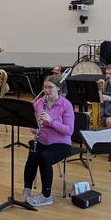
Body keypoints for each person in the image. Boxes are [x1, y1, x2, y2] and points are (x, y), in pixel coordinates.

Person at [22, 75, 75, 207]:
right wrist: (35, 128)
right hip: (42, 139)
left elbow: (69, 130)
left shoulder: (66, 105)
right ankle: (27, 189)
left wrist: (51, 122)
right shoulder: (39, 103)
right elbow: (32, 126)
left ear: (58, 88)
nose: (47, 90)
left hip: (61, 142)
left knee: (45, 158)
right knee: (32, 155)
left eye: (50, 87)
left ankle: (46, 196)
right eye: (45, 87)